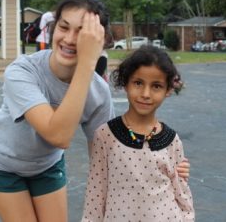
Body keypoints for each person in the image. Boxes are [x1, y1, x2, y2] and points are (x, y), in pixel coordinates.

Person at [0, 0, 191, 221]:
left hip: (46, 165)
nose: (69, 39)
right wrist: (88, 62)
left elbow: (108, 155)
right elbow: (57, 135)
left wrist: (166, 165)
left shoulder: (97, 90)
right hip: (1, 163)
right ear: (52, 28)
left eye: (81, 33)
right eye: (64, 27)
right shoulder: (22, 71)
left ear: (100, 40)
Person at [82, 45, 195, 222]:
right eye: (138, 83)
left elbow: (181, 191)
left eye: (156, 86)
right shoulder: (105, 135)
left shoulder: (172, 140)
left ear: (168, 90)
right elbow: (96, 194)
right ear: (125, 83)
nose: (145, 94)